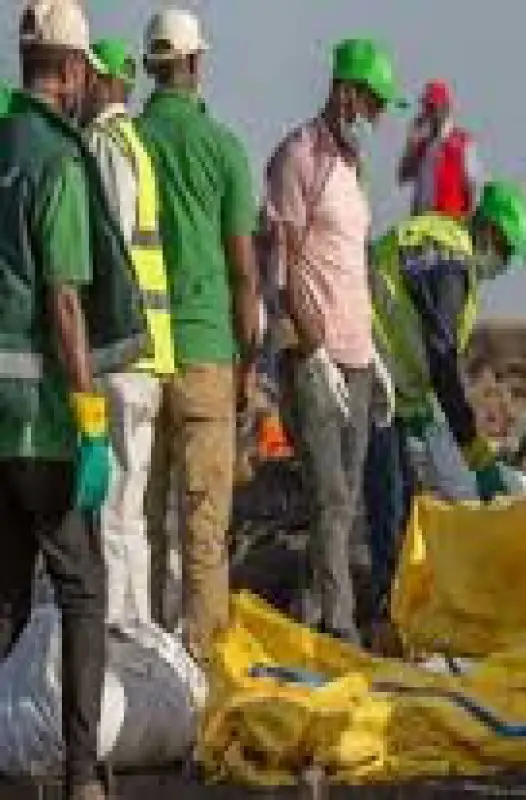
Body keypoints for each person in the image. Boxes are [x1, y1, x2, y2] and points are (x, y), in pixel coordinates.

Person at [0, 2, 148, 796]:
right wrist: (91, 416)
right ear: (69, 68)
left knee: (4, 599)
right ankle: (82, 776)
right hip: (44, 423)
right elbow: (64, 298)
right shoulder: (59, 160)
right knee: (83, 590)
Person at [264, 38, 402, 644]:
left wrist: (372, 351)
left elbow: (350, 264)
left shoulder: (352, 167)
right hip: (314, 359)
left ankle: (314, 618)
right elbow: (282, 264)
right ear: (345, 93)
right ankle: (339, 629)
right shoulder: (300, 156)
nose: (374, 117)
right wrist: (310, 349)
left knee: (345, 508)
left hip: (357, 357)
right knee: (329, 496)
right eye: (370, 103)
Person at [138, 8, 261, 660]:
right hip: (208, 352)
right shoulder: (222, 148)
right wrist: (249, 361)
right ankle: (207, 677)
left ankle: (144, 667)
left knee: (141, 527)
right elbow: (244, 269)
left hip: (137, 354)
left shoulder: (127, 142)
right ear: (194, 64)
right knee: (205, 532)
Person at [366, 181, 526, 618]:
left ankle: (395, 599)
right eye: (508, 255)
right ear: (494, 236)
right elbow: (441, 356)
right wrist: (475, 452)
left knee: (400, 498)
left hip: (387, 384)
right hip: (367, 376)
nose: (505, 266)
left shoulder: (443, 247)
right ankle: (389, 609)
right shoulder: (450, 263)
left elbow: (419, 336)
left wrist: (420, 410)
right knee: (388, 500)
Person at [83, 37, 176, 627]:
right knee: (133, 507)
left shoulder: (102, 143)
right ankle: (136, 622)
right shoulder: (137, 145)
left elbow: (106, 245)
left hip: (118, 351)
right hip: (150, 354)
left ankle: (117, 625)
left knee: (111, 504)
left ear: (103, 81)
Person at [397, 79, 483, 220]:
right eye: (426, 107)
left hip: (449, 226)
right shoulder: (422, 144)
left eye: (432, 106)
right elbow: (403, 177)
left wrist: (469, 224)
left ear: (445, 108)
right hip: (421, 224)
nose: (428, 112)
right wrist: (411, 141)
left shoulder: (462, 143)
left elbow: (473, 187)